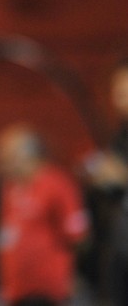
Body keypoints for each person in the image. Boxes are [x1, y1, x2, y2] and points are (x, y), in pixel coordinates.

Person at [0, 123, 89, 305]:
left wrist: (70, 275)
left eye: (7, 157)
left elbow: (79, 238)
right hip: (15, 290)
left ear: (28, 155)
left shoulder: (57, 184)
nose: (1, 164)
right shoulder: (10, 188)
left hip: (47, 292)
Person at [83, 57, 128, 305]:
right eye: (115, 92)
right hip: (118, 245)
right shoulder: (120, 136)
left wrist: (122, 176)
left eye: (124, 91)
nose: (118, 99)